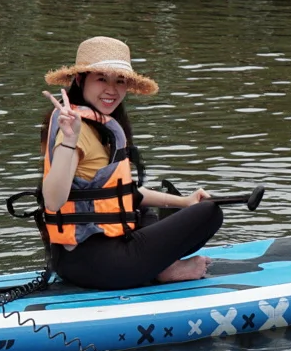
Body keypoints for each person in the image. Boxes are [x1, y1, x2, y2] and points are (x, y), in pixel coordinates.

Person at [36, 36, 223, 289]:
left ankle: (164, 266)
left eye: (119, 81)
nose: (112, 90)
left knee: (146, 211)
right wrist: (69, 141)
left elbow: (125, 193)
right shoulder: (72, 130)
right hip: (101, 265)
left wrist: (186, 202)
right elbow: (53, 200)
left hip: (74, 263)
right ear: (80, 80)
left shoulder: (103, 127)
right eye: (102, 78)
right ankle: (166, 270)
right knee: (209, 213)